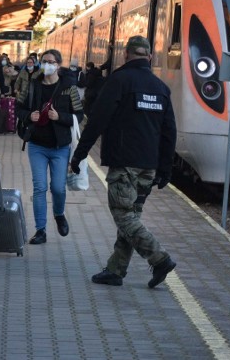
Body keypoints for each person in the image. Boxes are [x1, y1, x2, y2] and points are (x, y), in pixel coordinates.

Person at [69, 36, 177, 288]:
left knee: (124, 216)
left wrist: (79, 154)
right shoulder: (161, 88)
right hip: (148, 168)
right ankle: (116, 270)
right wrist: (165, 169)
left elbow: (97, 120)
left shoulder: (119, 81)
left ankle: (159, 258)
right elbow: (169, 131)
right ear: (149, 57)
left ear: (126, 55)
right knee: (132, 216)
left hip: (125, 164)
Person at [16, 48, 83, 245]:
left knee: (58, 188)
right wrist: (29, 116)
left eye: (51, 61)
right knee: (40, 187)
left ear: (58, 65)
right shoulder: (32, 85)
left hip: (60, 147)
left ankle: (59, 214)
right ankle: (40, 230)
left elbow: (79, 115)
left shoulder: (68, 88)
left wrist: (59, 117)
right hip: (37, 145)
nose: (47, 64)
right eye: (44, 61)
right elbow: (18, 107)